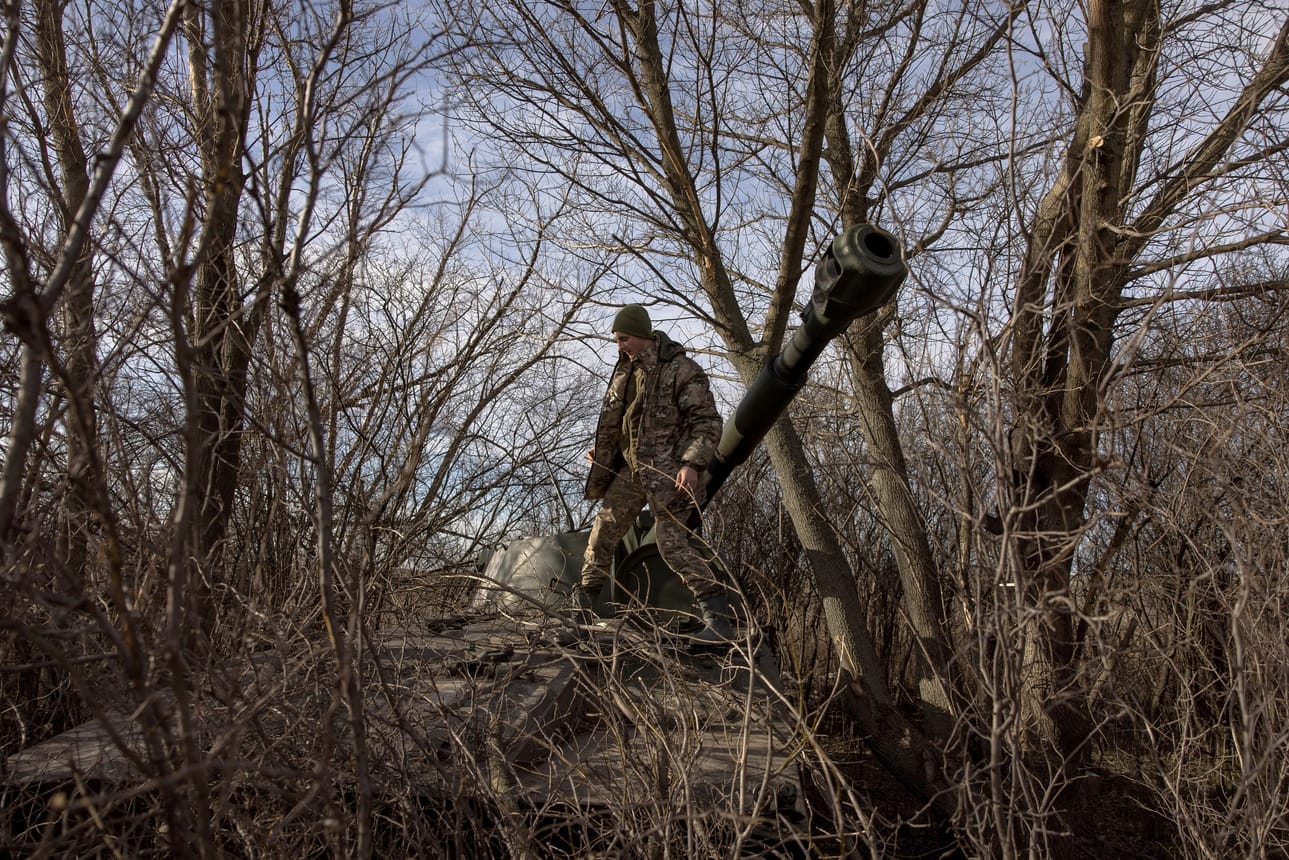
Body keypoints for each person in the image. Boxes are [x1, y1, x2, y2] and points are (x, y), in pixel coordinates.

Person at [572, 303, 735, 645]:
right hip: (630, 472)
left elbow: (706, 424)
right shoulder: (624, 373)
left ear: (644, 336)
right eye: (616, 340)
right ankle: (581, 613)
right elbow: (624, 424)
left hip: (670, 474)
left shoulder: (681, 370)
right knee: (603, 532)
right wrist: (606, 454)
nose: (619, 346)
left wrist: (691, 464)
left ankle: (718, 620)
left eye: (624, 338)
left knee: (671, 544)